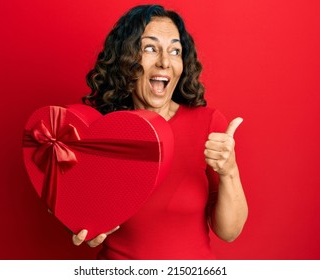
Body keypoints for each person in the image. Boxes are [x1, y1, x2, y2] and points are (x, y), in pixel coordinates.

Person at [72, 4, 248, 260]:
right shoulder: (100, 132)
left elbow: (229, 232)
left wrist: (229, 171)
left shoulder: (208, 125)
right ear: (126, 59)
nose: (165, 61)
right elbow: (84, 214)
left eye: (175, 51)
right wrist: (83, 225)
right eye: (150, 48)